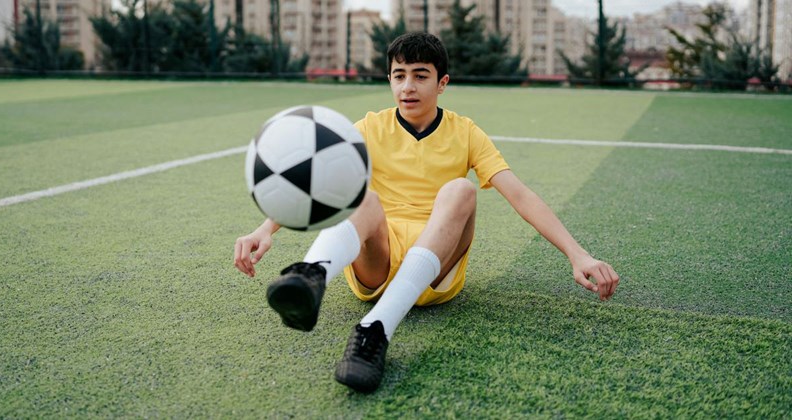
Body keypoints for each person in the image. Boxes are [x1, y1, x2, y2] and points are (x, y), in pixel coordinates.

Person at [234, 32, 620, 393]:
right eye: (399, 75)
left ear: (442, 83)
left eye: (420, 76)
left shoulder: (465, 132)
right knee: (363, 196)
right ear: (389, 79)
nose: (408, 86)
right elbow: (315, 177)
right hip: (376, 264)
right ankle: (312, 274)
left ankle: (375, 330)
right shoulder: (368, 127)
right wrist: (265, 228)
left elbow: (520, 195)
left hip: (435, 270)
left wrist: (578, 254)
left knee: (460, 189)